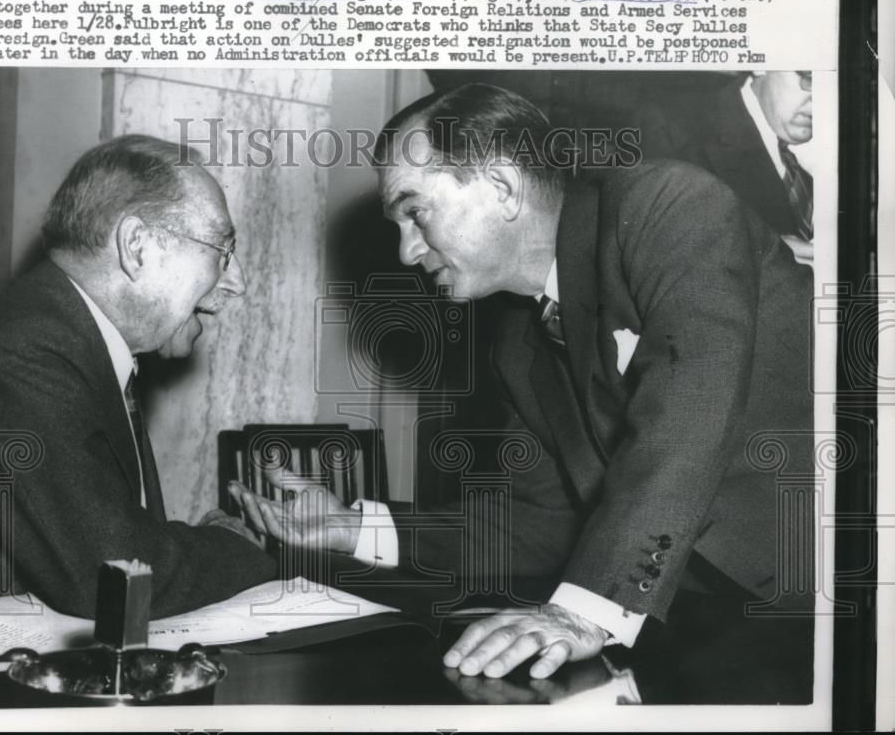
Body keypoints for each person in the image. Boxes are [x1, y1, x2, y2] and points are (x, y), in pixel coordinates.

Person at [231, 84, 814, 681]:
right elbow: (545, 522)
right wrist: (358, 526)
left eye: (414, 212)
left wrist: (587, 610)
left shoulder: (671, 206)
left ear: (502, 186)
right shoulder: (517, 340)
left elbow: (690, 414)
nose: (406, 252)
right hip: (711, 622)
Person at [0, 135, 276, 618]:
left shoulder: (79, 340)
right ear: (137, 246)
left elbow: (120, 540)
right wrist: (233, 547)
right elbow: (108, 573)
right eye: (222, 249)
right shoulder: (25, 345)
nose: (236, 282)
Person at [637, 70, 815, 265]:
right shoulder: (672, 129)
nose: (823, 99)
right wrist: (757, 252)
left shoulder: (805, 175)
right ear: (761, 64)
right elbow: (648, 248)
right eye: (810, 78)